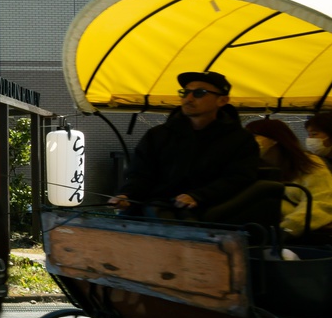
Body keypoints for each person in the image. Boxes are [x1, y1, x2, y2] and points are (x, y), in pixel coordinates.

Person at [108, 70, 260, 218]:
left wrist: (198, 196)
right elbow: (140, 174)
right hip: (153, 208)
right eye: (184, 92)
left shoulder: (240, 139)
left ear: (222, 100)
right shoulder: (158, 134)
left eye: (199, 93)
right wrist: (127, 195)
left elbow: (238, 178)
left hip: (208, 213)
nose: (189, 98)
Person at [246, 118, 332, 239]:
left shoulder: (308, 164)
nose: (248, 141)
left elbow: (320, 202)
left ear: (274, 139)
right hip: (263, 232)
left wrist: (286, 229)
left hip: (300, 235)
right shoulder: (251, 167)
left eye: (254, 136)